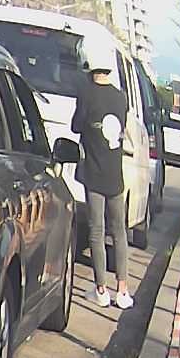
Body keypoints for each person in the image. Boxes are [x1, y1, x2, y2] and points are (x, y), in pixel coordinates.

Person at [71, 62, 133, 309]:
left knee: (97, 231)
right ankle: (123, 290)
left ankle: (101, 290)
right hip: (115, 174)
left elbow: (76, 126)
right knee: (119, 231)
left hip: (94, 172)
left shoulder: (87, 94)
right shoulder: (121, 98)